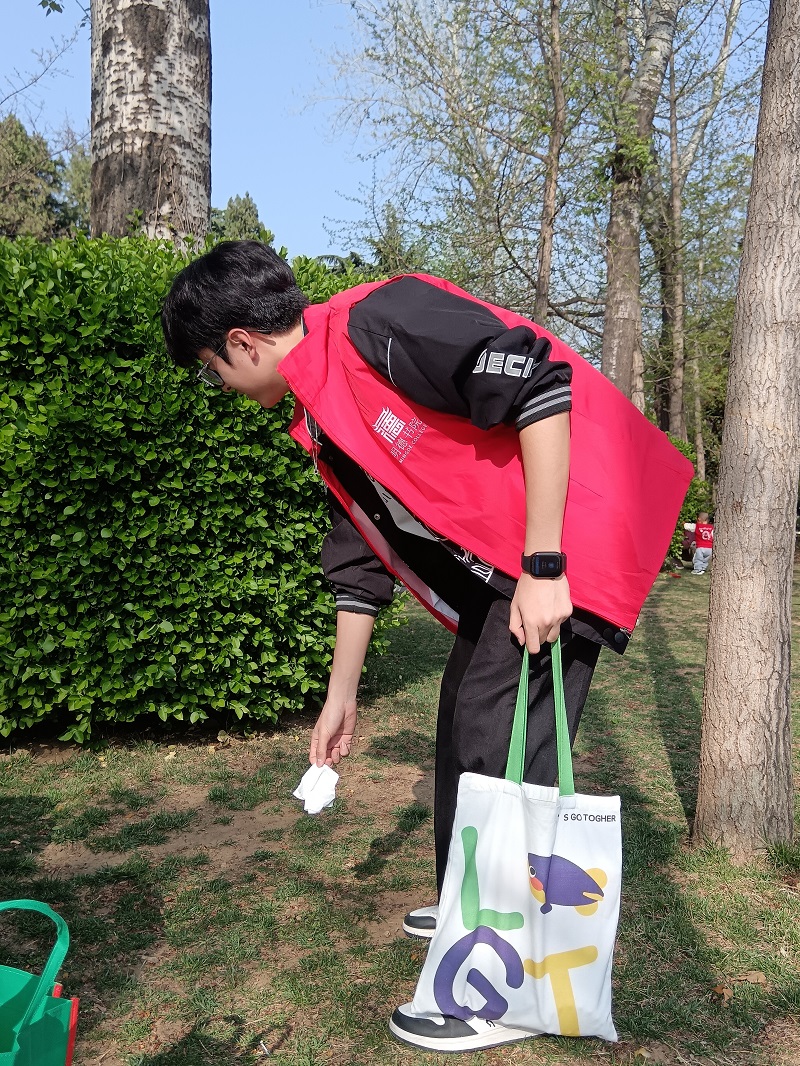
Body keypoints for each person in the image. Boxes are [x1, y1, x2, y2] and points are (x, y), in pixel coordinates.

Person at [161, 240, 691, 1053]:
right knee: (460, 723)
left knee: (495, 736)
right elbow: (360, 560)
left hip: (559, 553)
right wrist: (341, 698)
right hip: (511, 569)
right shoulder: (320, 408)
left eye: (210, 369)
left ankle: (493, 993)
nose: (220, 387)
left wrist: (545, 567)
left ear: (241, 342)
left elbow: (539, 381)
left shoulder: (376, 321)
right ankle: (466, 905)